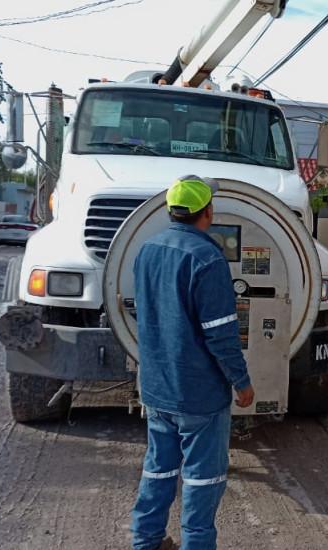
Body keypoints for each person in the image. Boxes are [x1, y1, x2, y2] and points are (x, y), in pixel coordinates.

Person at [130, 175, 255, 550]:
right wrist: (241, 381)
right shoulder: (208, 258)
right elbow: (221, 333)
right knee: (203, 480)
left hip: (157, 387)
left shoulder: (147, 249)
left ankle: (146, 541)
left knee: (158, 470)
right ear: (207, 212)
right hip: (199, 393)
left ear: (171, 211)